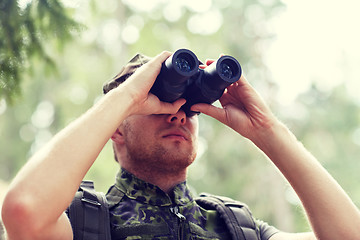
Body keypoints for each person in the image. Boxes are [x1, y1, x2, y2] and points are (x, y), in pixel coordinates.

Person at [2, 50, 360, 240]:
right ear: (116, 130)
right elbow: (24, 211)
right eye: (156, 105)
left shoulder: (235, 227)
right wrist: (127, 96)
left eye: (186, 107)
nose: (177, 115)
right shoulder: (85, 224)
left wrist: (267, 130)